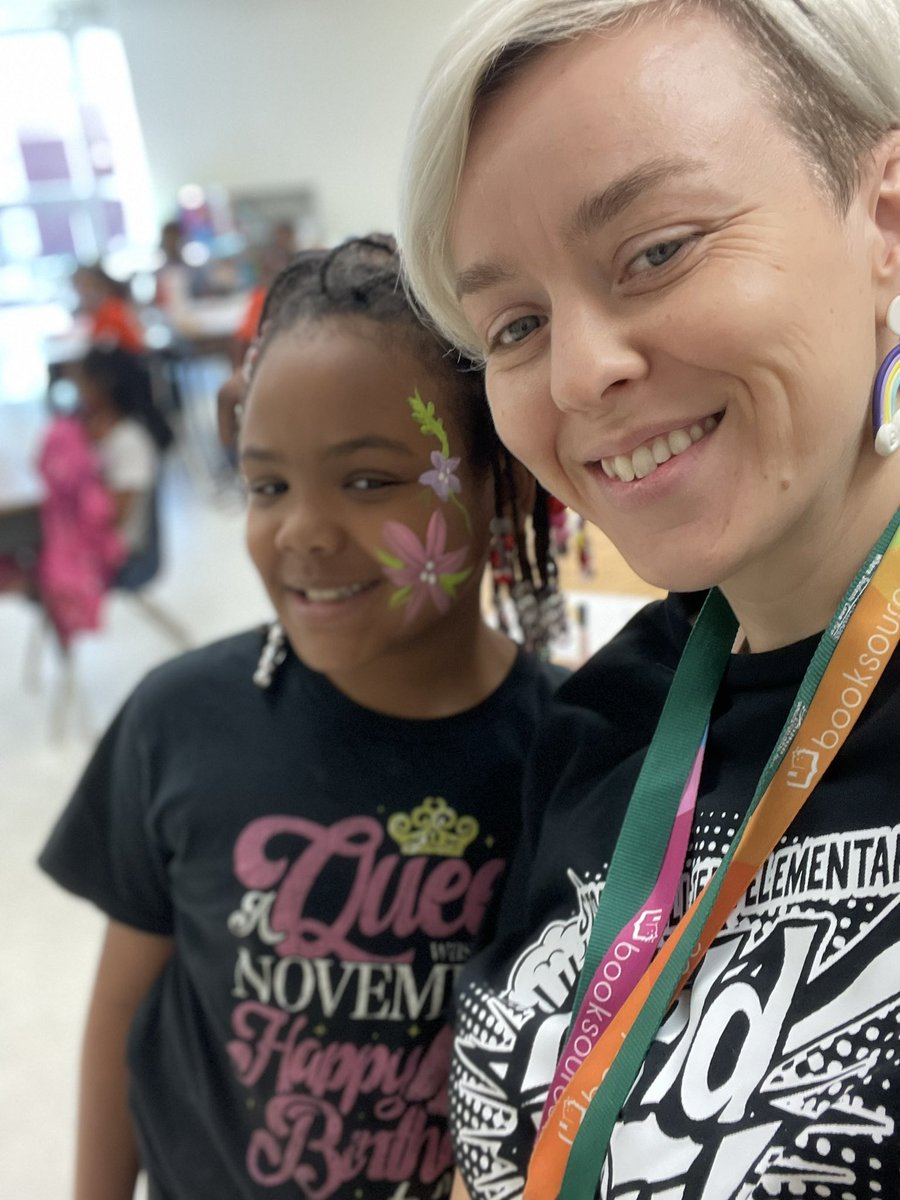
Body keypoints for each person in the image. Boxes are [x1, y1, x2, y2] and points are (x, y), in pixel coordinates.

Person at [397, 1, 900, 1197]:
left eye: (657, 249)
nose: (579, 374)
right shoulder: (609, 712)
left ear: (885, 221)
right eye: (515, 324)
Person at [38, 233, 568, 1200]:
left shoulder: (573, 757)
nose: (303, 532)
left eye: (369, 480)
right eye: (267, 485)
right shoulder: (181, 722)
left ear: (502, 479)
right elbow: (124, 1007)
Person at [75, 345, 174, 559]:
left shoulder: (130, 440)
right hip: (95, 538)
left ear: (101, 385)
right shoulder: (92, 431)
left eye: (82, 382)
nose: (78, 390)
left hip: (118, 548)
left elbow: (115, 515)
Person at [72, 263, 146, 355]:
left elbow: (134, 344)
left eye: (84, 287)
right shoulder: (101, 311)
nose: (81, 293)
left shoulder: (111, 310)